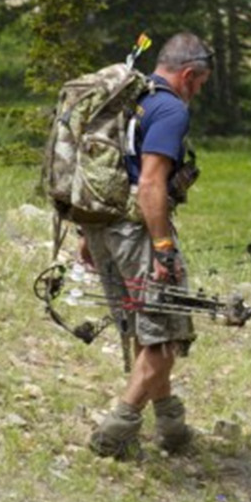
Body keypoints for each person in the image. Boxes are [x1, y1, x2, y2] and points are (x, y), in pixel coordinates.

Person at [83, 32, 212, 459]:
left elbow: (104, 169)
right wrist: (163, 248)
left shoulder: (129, 97)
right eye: (201, 83)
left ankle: (171, 425)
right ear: (189, 74)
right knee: (164, 336)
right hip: (137, 233)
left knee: (146, 327)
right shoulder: (170, 110)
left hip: (103, 227)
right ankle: (115, 431)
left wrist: (88, 234)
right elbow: (151, 184)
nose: (200, 92)